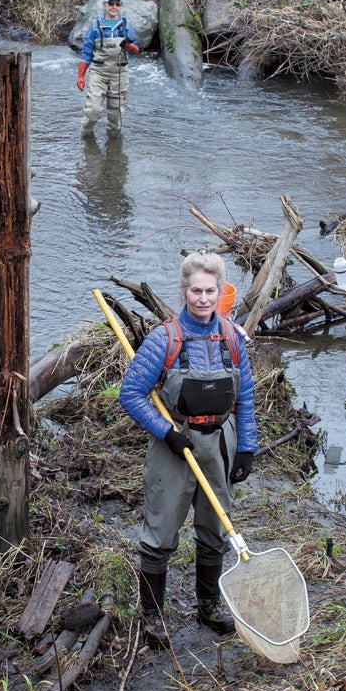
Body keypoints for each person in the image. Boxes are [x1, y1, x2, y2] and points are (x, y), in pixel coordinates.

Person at [118, 252, 258, 647]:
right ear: (183, 291)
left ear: (220, 292)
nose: (202, 298)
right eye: (195, 290)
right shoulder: (164, 338)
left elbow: (245, 396)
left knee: (215, 528)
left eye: (210, 291)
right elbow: (131, 394)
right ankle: (153, 616)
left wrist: (247, 448)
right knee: (160, 533)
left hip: (220, 443)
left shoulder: (232, 337)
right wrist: (167, 432)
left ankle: (208, 604)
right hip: (174, 446)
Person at [76, 0, 140, 135]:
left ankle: (114, 150)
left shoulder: (126, 25)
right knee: (93, 111)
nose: (114, 7)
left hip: (119, 72)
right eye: (111, 4)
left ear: (120, 6)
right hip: (98, 71)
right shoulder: (96, 25)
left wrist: (129, 47)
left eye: (117, 4)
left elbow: (135, 51)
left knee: (116, 115)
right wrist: (80, 76)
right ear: (105, 5)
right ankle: (86, 137)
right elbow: (86, 52)